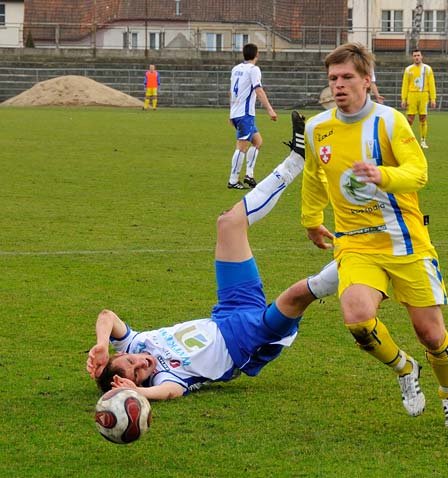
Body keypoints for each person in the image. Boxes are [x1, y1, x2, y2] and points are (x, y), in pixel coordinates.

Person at [86, 115, 339, 400]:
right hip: (247, 340)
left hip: (230, 309)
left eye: (132, 362)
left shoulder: (136, 343)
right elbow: (170, 393)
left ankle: (297, 159)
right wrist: (138, 394)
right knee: (298, 293)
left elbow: (107, 316)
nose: (142, 363)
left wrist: (102, 345)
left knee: (229, 223)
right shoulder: (167, 376)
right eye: (138, 374)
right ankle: (361, 260)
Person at [299, 43, 448, 429]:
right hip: (356, 243)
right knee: (358, 318)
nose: (339, 85)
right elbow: (314, 178)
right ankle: (404, 369)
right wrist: (311, 219)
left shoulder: (389, 121)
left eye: (347, 77)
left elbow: (419, 172)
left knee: (431, 334)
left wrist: (384, 176)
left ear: (367, 80)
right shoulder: (317, 128)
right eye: (333, 79)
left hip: (405, 242)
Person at [227, 43, 278, 190]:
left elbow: (231, 92)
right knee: (241, 146)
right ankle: (233, 180)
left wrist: (231, 113)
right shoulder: (253, 69)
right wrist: (270, 110)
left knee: (258, 142)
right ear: (257, 55)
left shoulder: (236, 69)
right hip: (245, 114)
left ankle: (249, 175)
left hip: (238, 113)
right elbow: (259, 90)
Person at [400, 49, 436, 149]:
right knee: (410, 119)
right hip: (412, 95)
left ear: (421, 56)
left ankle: (423, 140)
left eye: (418, 55)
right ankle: (406, 139)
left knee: (423, 118)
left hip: (424, 95)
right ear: (413, 57)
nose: (416, 57)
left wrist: (433, 98)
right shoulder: (408, 69)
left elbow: (431, 84)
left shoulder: (427, 69)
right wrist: (403, 98)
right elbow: (405, 85)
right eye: (415, 55)